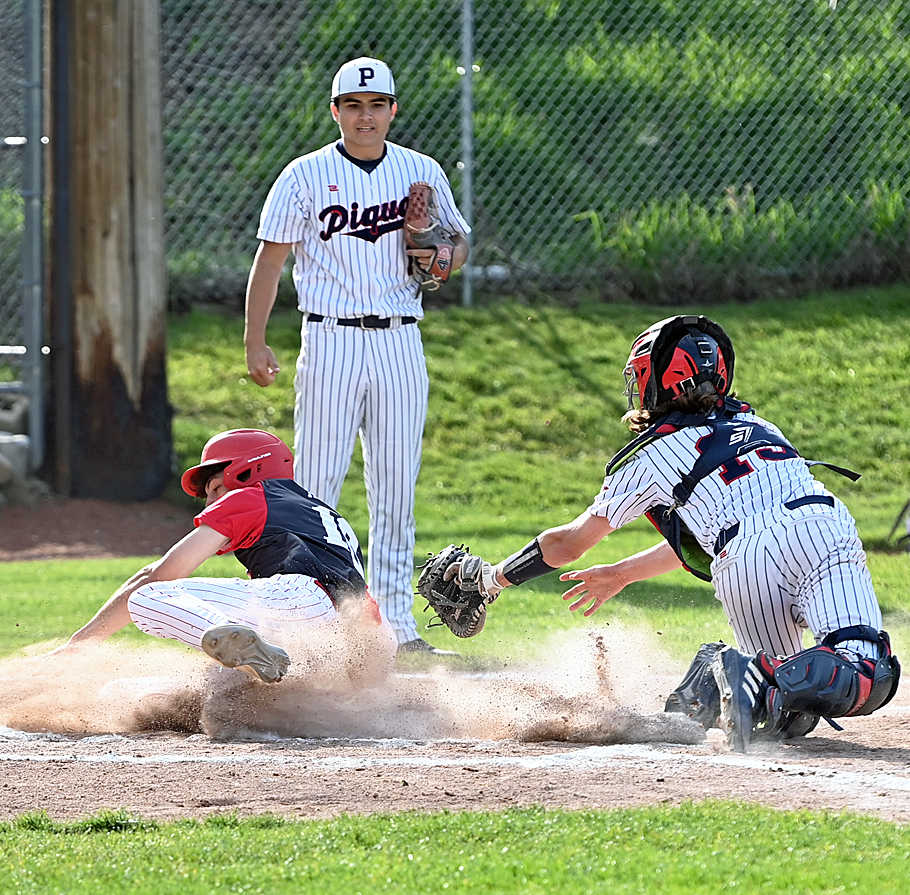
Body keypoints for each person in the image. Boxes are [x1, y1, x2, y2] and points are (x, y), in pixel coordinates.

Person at [444, 315, 900, 751]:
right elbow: (737, 528)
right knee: (861, 678)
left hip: (743, 558)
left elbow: (568, 544)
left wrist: (492, 579)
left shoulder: (650, 453)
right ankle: (727, 677)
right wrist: (622, 573)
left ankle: (725, 673)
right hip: (823, 530)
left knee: (778, 712)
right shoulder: (760, 426)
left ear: (657, 381)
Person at [243, 56, 471, 656]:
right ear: (336, 111)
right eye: (353, 105)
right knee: (315, 492)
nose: (365, 116)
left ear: (393, 109)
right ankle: (311, 629)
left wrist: (431, 246)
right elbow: (270, 262)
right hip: (330, 339)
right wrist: (254, 339)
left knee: (395, 489)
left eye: (376, 105)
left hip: (400, 338)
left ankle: (395, 632)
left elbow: (456, 251)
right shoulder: (304, 175)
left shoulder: (419, 171)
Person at [54, 428, 396, 682]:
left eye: (216, 486)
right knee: (151, 692)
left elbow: (159, 575)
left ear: (248, 472)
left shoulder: (251, 496)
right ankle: (252, 661)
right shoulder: (323, 516)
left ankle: (236, 641)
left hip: (300, 602)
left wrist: (79, 644)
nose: (210, 501)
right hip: (355, 640)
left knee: (146, 596)